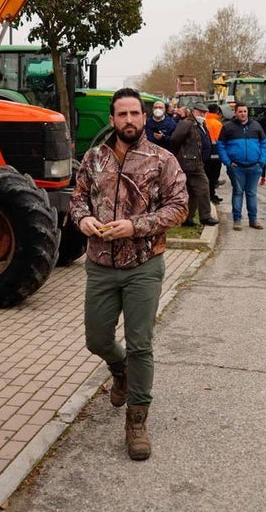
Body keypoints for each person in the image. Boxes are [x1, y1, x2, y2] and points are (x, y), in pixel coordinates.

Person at [70, 87, 188, 461]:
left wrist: (135, 227)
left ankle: (137, 420)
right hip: (100, 265)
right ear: (112, 119)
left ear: (144, 116)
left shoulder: (161, 159)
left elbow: (180, 207)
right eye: (122, 114)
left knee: (140, 344)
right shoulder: (93, 159)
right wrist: (84, 219)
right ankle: (118, 371)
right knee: (97, 339)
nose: (130, 120)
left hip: (143, 265)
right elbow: (77, 200)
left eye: (135, 113)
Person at [217, 102, 266, 231]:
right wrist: (227, 162)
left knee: (251, 193)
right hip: (236, 167)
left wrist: (261, 161)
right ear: (235, 113)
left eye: (245, 111)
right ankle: (237, 220)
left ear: (247, 112)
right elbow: (221, 145)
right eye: (240, 111)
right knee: (238, 192)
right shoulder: (228, 127)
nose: (243, 114)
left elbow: (264, 143)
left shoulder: (256, 126)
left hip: (254, 166)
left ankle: (253, 220)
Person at [169, 104, 217, 227]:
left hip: (197, 162)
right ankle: (205, 216)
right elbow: (175, 139)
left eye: (204, 113)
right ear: (194, 112)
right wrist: (182, 155)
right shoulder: (187, 123)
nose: (202, 115)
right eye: (200, 112)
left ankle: (188, 218)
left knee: (192, 191)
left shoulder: (200, 124)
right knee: (204, 186)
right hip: (191, 163)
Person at [205, 103, 224, 203]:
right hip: (216, 154)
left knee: (206, 176)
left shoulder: (204, 122)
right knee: (213, 177)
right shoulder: (218, 124)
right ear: (217, 111)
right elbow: (220, 140)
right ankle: (212, 195)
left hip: (205, 155)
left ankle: (208, 195)